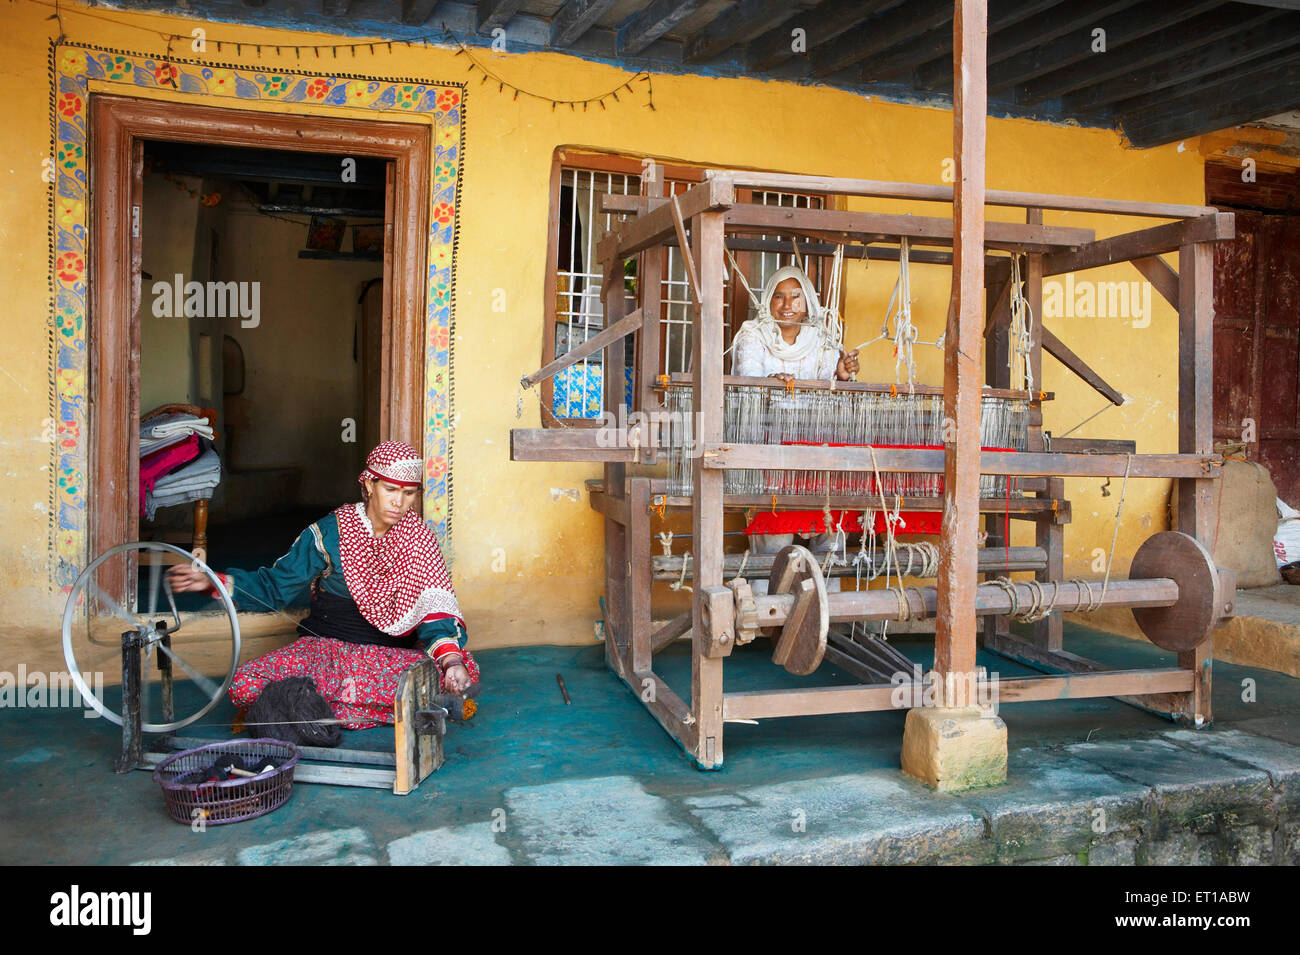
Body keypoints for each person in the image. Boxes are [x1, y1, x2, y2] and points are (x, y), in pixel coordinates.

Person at [168, 440, 477, 729]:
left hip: (388, 658)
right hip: (325, 653)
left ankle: (311, 710)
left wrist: (450, 662)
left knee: (459, 670)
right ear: (369, 485)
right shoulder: (330, 533)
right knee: (246, 685)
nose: (400, 502)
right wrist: (213, 581)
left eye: (409, 493)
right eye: (391, 489)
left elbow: (436, 610)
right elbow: (275, 587)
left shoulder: (419, 538)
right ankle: (399, 708)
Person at [731, 265, 859, 592]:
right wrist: (769, 384)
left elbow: (831, 388)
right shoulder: (752, 334)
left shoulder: (823, 340)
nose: (787, 305)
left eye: (795, 297)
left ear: (807, 303)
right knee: (774, 540)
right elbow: (748, 381)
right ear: (768, 301)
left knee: (829, 537)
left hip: (814, 457)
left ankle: (825, 619)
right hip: (768, 456)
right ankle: (765, 616)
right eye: (778, 296)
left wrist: (842, 374)